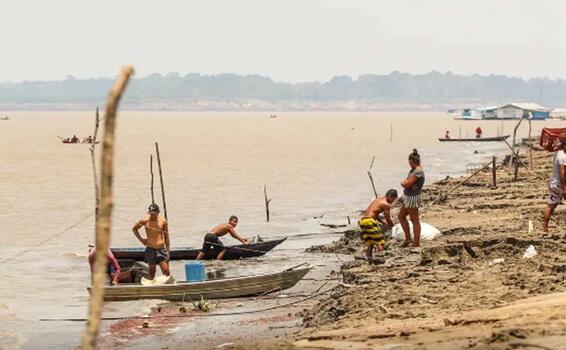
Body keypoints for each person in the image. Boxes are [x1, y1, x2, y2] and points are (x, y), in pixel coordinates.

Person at [132, 203, 171, 279]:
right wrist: (141, 240)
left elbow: (166, 236)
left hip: (161, 249)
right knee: (152, 271)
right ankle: (152, 284)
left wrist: (168, 250)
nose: (152, 215)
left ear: (158, 212)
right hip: (150, 248)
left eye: (154, 214)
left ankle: (168, 285)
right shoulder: (144, 220)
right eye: (151, 214)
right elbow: (134, 229)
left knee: (166, 270)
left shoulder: (163, 221)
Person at [359, 189, 398, 260]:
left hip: (363, 221)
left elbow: (375, 214)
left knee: (370, 242)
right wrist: (393, 226)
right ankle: (380, 260)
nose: (393, 202)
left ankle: (370, 261)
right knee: (380, 242)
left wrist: (383, 223)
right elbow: (388, 218)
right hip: (369, 221)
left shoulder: (378, 199)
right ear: (390, 196)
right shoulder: (386, 204)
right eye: (393, 199)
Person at [398, 149, 425, 248]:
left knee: (414, 220)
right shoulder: (414, 170)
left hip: (412, 197)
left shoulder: (418, 171)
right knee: (401, 216)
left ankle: (416, 242)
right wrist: (405, 183)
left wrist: (404, 183)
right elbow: (408, 183)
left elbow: (407, 183)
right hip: (408, 196)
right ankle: (408, 238)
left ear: (411, 161)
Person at [543, 138, 566, 232]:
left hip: (553, 183)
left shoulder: (558, 153)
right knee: (551, 206)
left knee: (551, 205)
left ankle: (544, 228)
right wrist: (564, 188)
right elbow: (562, 172)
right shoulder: (563, 157)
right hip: (559, 185)